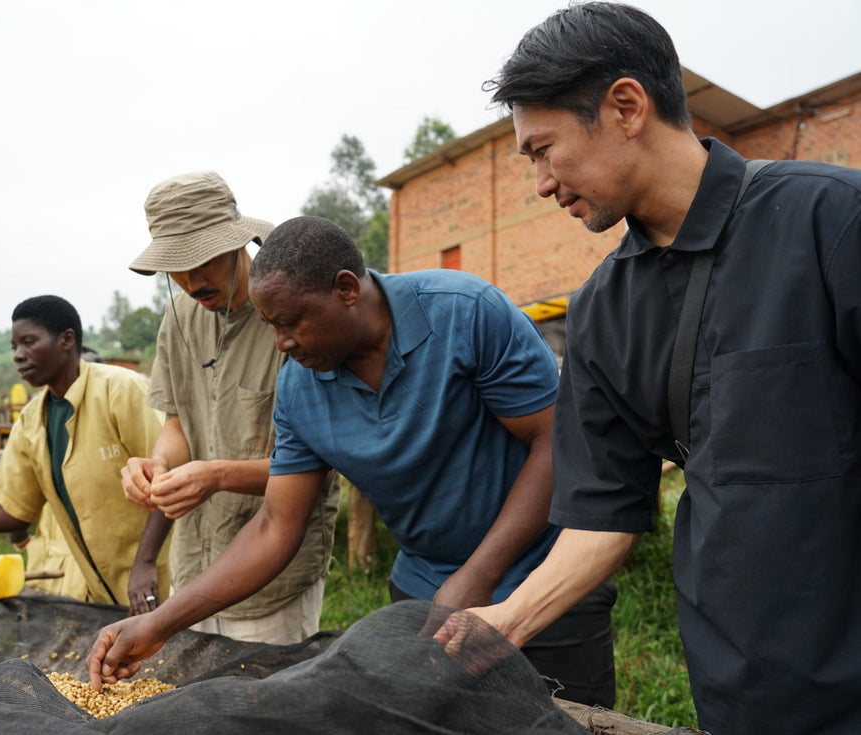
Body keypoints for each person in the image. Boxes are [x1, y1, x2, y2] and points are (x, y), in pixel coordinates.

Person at [433, 3, 861, 733]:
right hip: (740, 683)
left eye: (543, 149)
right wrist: (510, 616)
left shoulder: (828, 220)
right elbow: (603, 511)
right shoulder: (602, 309)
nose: (539, 183)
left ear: (626, 107)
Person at [90, 214, 617, 707]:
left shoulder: (465, 312)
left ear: (346, 289)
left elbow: (554, 445)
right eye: (270, 325)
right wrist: (160, 624)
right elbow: (276, 525)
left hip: (544, 581)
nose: (281, 343)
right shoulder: (300, 386)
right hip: (424, 591)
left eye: (291, 322)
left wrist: (478, 574)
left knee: (567, 717)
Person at [119, 171, 339, 645]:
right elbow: (177, 423)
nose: (191, 279)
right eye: (176, 265)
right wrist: (158, 466)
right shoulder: (178, 316)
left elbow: (318, 465)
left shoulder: (290, 319)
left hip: (271, 581)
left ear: (238, 243)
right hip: (192, 566)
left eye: (204, 260)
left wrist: (217, 475)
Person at [0, 295, 171, 612]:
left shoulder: (120, 389)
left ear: (66, 340)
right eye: (14, 346)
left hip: (161, 578)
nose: (18, 355)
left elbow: (171, 473)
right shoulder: (31, 421)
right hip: (104, 594)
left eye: (29, 342)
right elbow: (14, 511)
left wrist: (146, 562)